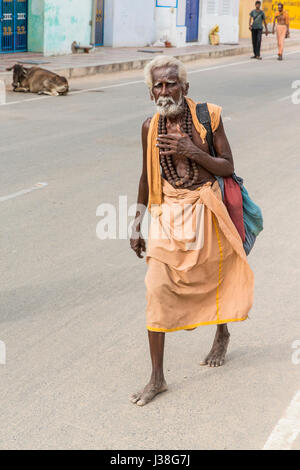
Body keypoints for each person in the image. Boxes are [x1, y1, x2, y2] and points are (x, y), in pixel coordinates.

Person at [129, 56, 254, 406]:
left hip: (207, 206)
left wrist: (192, 150)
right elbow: (144, 176)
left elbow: (227, 165)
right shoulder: (148, 127)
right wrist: (137, 222)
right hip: (169, 213)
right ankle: (157, 378)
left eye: (171, 83)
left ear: (185, 87)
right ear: (151, 90)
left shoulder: (207, 116)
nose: (164, 91)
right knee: (156, 288)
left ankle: (222, 332)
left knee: (216, 277)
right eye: (158, 85)